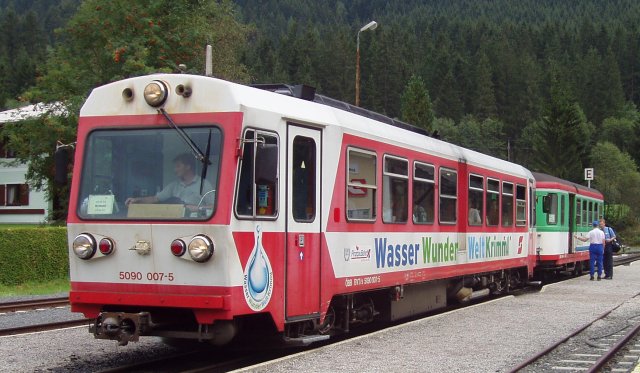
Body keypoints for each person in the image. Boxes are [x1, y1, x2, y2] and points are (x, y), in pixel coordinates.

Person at [125, 153, 214, 212]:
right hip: (175, 223)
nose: (175, 170)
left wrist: (198, 208)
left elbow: (213, 207)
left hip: (196, 224)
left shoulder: (204, 184)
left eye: (178, 166)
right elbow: (156, 198)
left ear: (188, 167)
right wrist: (137, 200)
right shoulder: (173, 186)